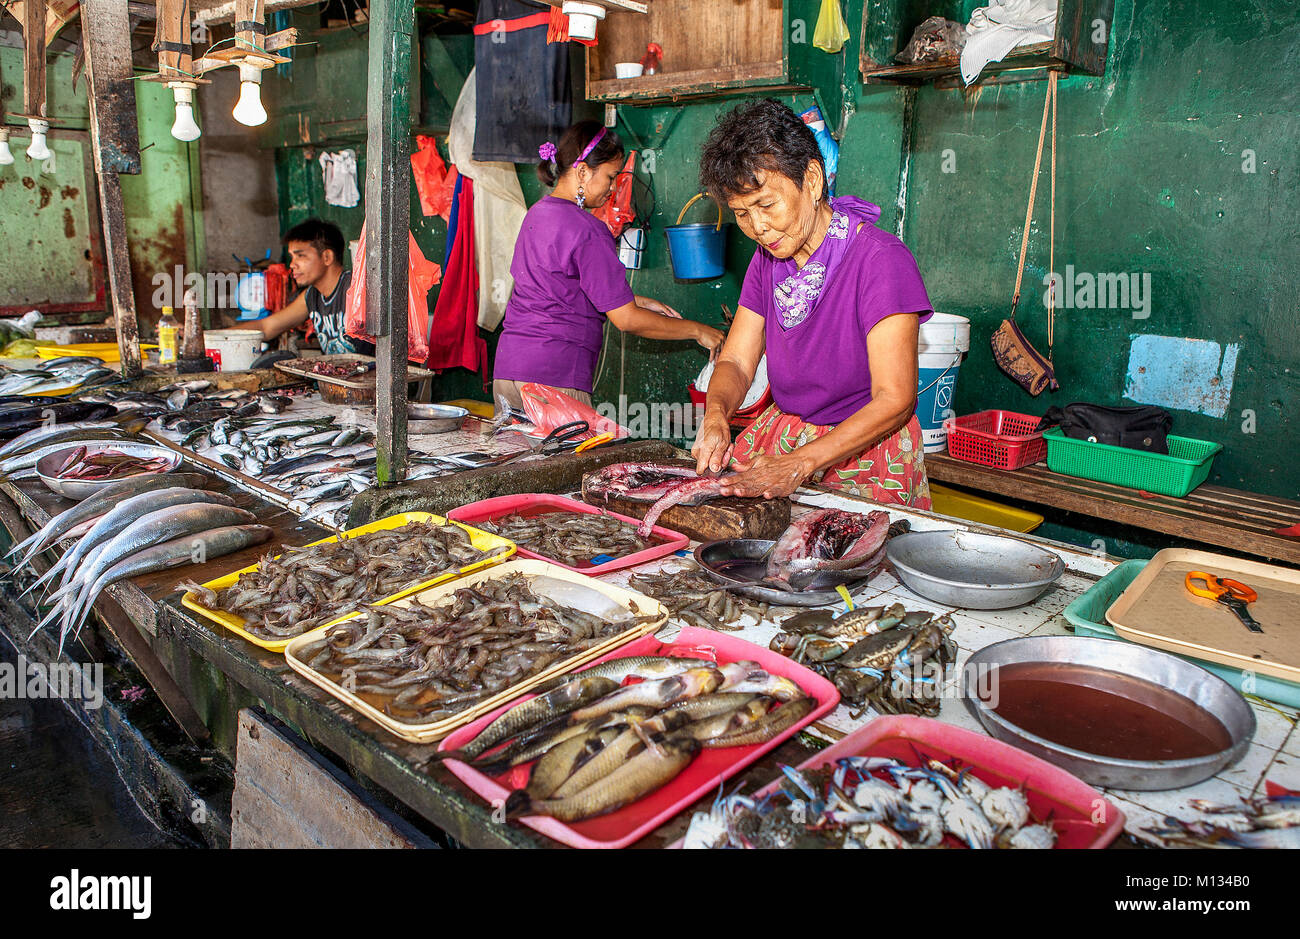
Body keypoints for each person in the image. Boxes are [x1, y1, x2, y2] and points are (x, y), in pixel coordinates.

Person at [691, 99, 934, 509]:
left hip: (864, 450)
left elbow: (895, 398)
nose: (759, 227)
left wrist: (800, 464)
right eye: (742, 214)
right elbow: (735, 362)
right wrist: (716, 415)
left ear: (813, 179)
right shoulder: (767, 261)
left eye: (766, 205)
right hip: (786, 437)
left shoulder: (879, 260)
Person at [493, 120, 725, 413]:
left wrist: (634, 300)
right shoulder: (587, 228)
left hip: (508, 372)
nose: (614, 188)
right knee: (563, 460)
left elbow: (560, 287)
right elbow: (626, 320)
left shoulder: (535, 215)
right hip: (554, 379)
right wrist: (696, 330)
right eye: (611, 176)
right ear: (582, 171)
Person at [252, 218, 374, 356]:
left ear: (327, 257)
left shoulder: (354, 288)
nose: (292, 265)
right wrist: (224, 336)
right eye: (292, 257)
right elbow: (267, 327)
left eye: (300, 256)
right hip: (334, 376)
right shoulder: (312, 295)